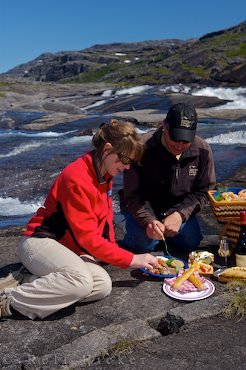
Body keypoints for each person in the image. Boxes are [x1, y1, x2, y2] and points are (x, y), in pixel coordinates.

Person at [0, 119, 157, 320]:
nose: (127, 168)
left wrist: (111, 252)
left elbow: (105, 221)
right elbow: (88, 239)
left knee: (102, 285)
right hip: (40, 242)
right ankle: (7, 301)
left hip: (68, 248)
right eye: (125, 160)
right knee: (80, 282)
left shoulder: (103, 173)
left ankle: (28, 280)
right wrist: (133, 259)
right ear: (108, 149)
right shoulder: (77, 177)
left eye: (130, 163)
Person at [122, 103, 216, 253]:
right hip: (145, 207)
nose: (179, 146)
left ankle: (168, 234)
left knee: (190, 244)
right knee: (142, 246)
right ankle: (130, 226)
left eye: (185, 141)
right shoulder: (141, 147)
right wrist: (149, 221)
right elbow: (132, 195)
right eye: (175, 138)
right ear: (164, 126)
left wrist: (180, 215)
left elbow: (205, 191)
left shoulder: (203, 150)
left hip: (180, 209)